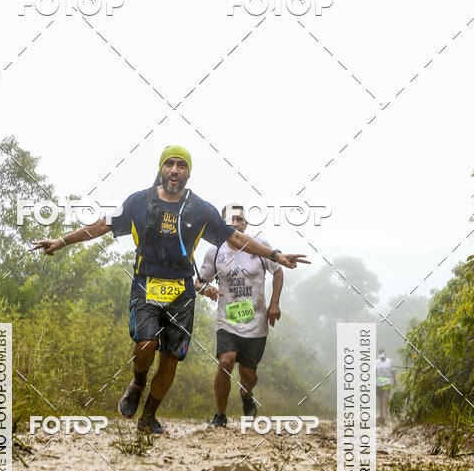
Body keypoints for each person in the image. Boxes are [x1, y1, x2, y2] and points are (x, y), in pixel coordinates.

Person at [31, 146, 309, 435]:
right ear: (161, 169)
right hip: (146, 282)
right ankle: (138, 383)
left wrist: (276, 256)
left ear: (188, 172)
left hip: (182, 290)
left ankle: (148, 418)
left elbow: (236, 238)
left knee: (171, 359)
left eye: (181, 166)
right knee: (146, 344)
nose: (174, 170)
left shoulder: (200, 208)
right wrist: (62, 241)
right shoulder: (139, 202)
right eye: (169, 164)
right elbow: (101, 226)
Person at [196, 204, 283, 426]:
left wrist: (274, 304)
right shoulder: (215, 251)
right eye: (230, 220)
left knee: (248, 374)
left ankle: (246, 394)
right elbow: (199, 281)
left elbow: (278, 271)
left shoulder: (260, 246)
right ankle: (220, 415)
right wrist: (206, 289)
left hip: (256, 321)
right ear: (222, 223)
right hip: (228, 320)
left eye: (240, 220)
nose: (235, 223)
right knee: (226, 361)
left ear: (246, 224)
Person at [376, 348, 396, 422]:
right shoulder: (376, 362)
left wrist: (394, 380)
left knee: (387, 396)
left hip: (387, 380)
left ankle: (386, 412)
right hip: (379, 380)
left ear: (385, 354)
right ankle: (381, 413)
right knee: (380, 398)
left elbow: (392, 370)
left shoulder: (389, 361)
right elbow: (374, 371)